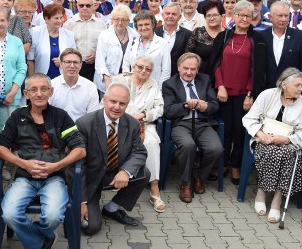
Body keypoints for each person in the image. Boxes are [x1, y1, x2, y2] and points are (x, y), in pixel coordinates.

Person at [0, 73, 86, 249]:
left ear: (51, 91)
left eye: (43, 89)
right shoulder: (17, 116)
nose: (39, 94)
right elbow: (0, 147)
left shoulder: (60, 116)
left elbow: (80, 149)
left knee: (54, 215)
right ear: (26, 93)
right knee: (9, 214)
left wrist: (56, 166)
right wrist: (22, 163)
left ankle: (35, 240)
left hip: (54, 177)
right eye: (34, 90)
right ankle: (40, 243)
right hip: (25, 177)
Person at [75, 83, 150, 235]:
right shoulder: (84, 124)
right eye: (113, 101)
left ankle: (112, 208)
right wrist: (81, 201)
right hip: (91, 178)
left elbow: (140, 152)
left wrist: (125, 171)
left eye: (122, 103)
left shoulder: (132, 124)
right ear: (104, 100)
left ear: (127, 105)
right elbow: (78, 165)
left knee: (144, 173)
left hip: (114, 172)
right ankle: (87, 205)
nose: (117, 107)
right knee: (91, 227)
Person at [242, 68, 302, 223]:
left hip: (289, 142)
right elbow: (249, 119)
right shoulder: (267, 95)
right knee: (270, 152)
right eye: (297, 85)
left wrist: (286, 139)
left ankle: (277, 198)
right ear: (284, 84)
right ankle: (262, 192)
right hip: (264, 139)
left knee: (286, 154)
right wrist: (261, 134)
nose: (301, 89)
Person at [209, 0, 266, 184]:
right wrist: (221, 85)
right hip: (224, 93)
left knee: (240, 132)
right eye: (240, 15)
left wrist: (250, 94)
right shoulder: (223, 36)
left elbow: (258, 69)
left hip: (244, 94)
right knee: (225, 131)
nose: (243, 18)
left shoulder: (257, 39)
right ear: (233, 16)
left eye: (247, 16)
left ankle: (235, 166)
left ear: (252, 18)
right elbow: (215, 64)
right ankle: (222, 164)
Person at [163, 53, 223, 203]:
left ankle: (200, 178)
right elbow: (168, 111)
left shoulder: (205, 80)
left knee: (216, 148)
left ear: (197, 70)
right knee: (188, 145)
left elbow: (215, 105)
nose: (189, 72)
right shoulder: (169, 84)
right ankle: (185, 184)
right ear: (178, 68)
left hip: (203, 123)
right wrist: (185, 105)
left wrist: (206, 106)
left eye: (193, 69)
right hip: (181, 124)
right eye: (185, 68)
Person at [114, 55, 166, 212]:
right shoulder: (120, 81)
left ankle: (154, 188)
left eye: (148, 69)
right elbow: (110, 102)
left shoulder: (154, 85)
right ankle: (117, 179)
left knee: (151, 143)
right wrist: (126, 117)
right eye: (140, 67)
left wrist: (143, 115)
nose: (143, 71)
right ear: (133, 66)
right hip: (120, 123)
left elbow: (160, 108)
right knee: (115, 140)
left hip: (144, 124)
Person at [261, 1, 302, 97]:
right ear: (270, 17)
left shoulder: (299, 36)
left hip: (291, 92)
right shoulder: (262, 36)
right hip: (266, 92)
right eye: (280, 16)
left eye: (286, 16)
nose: (283, 19)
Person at [95, 5, 139, 95]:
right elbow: (100, 62)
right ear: (112, 19)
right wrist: (108, 82)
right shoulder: (104, 36)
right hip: (107, 81)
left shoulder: (134, 35)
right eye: (116, 19)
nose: (120, 22)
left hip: (127, 81)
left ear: (128, 21)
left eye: (123, 20)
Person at [48, 48, 99, 121]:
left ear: (81, 65)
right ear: (61, 64)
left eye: (75, 62)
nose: (72, 66)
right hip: (56, 129)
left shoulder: (91, 87)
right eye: (68, 62)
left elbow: (92, 117)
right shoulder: (51, 85)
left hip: (81, 130)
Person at [122, 10, 170, 87]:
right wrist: (129, 83)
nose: (143, 28)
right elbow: (125, 65)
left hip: (154, 88)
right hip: (133, 88)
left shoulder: (163, 43)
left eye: (147, 24)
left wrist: (159, 89)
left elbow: (166, 71)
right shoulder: (132, 42)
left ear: (153, 25)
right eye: (140, 25)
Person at [64, 0, 107, 81]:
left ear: (93, 6)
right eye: (81, 5)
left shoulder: (102, 24)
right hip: (74, 66)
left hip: (95, 66)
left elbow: (105, 46)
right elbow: (64, 46)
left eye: (88, 5)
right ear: (77, 6)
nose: (84, 8)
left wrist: (96, 55)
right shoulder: (68, 24)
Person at [28, 4, 76, 79]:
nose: (60, 21)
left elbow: (74, 57)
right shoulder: (35, 32)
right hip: (41, 78)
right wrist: (31, 79)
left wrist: (64, 62)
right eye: (56, 18)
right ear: (46, 19)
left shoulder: (69, 35)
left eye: (61, 18)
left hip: (63, 78)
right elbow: (30, 59)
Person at [185, 1, 224, 76]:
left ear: (222, 16)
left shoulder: (227, 34)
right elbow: (188, 55)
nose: (211, 18)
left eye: (215, 15)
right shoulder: (198, 32)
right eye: (208, 15)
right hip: (198, 75)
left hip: (221, 76)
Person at [156, 2, 191, 77]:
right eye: (167, 13)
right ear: (162, 15)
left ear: (179, 17)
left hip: (177, 78)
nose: (170, 16)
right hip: (156, 76)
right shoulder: (154, 33)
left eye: (174, 14)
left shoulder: (188, 34)